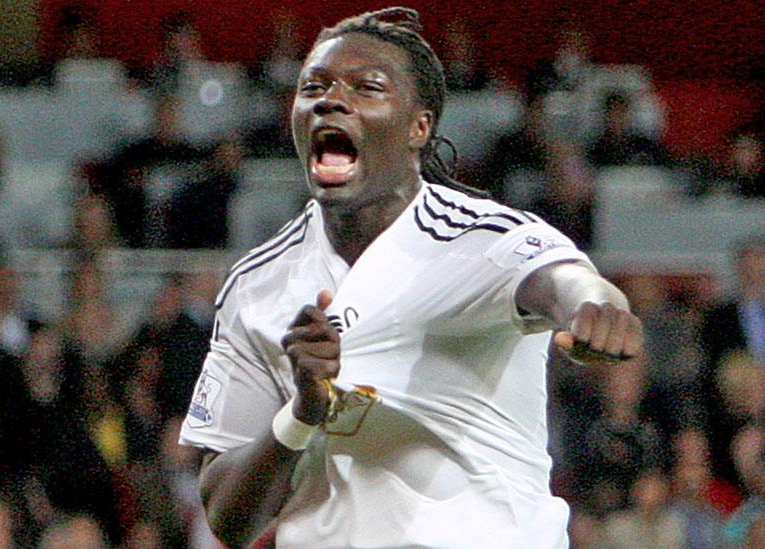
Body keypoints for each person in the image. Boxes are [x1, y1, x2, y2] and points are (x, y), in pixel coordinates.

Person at [179, 8, 641, 548]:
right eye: (315, 87)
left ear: (419, 127)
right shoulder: (258, 284)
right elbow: (228, 519)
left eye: (367, 88)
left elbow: (560, 279)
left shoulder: (475, 237)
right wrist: (300, 415)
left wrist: (597, 307)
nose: (331, 100)